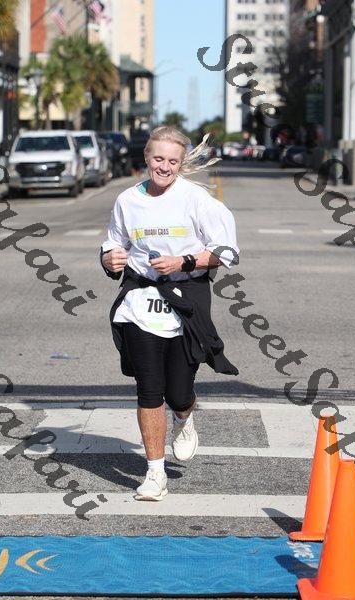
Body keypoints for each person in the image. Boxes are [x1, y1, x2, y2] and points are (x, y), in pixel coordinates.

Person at [100, 126, 239, 501]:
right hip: (140, 300)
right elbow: (113, 245)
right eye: (158, 158)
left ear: (181, 163)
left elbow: (227, 252)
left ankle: (184, 415)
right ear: (146, 157)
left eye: (172, 161)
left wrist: (185, 261)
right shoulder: (127, 200)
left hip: (186, 298)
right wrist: (109, 259)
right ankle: (155, 473)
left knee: (178, 392)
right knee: (149, 389)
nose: (164, 167)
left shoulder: (197, 200)